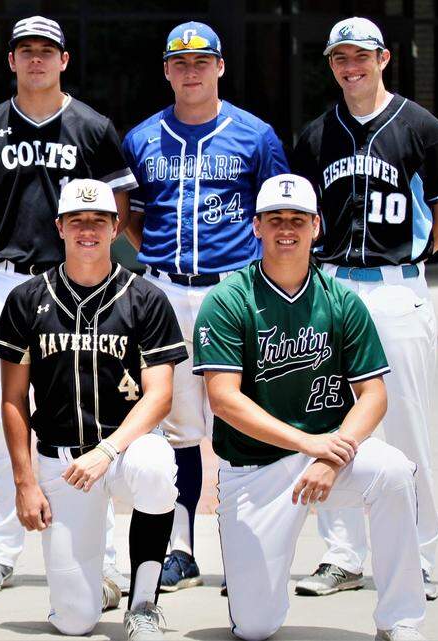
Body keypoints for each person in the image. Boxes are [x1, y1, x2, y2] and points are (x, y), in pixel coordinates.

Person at [0, 15, 138, 595]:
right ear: (11, 60)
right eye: (25, 51)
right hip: (9, 286)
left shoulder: (93, 127)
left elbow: (121, 205)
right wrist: (6, 256)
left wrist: (79, 264)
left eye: (46, 51)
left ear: (64, 59)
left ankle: (102, 558)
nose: (36, 60)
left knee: (91, 415)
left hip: (80, 287)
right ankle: (0, 552)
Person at [194, 174, 426, 641]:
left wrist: (325, 455)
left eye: (297, 219)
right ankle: (260, 587)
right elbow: (223, 399)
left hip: (329, 459)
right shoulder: (227, 299)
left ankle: (400, 620)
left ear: (316, 226)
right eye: (275, 219)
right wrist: (309, 444)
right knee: (255, 627)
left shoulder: (340, 301)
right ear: (255, 226)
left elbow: (374, 396)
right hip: (255, 468)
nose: (287, 229)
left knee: (395, 472)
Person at [290, 16, 438, 601]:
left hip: (395, 286)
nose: (351, 65)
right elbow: (305, 218)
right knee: (332, 422)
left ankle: (415, 556)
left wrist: (410, 263)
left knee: (407, 425)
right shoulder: (317, 135)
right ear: (332, 63)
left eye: (361, 55)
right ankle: (342, 555)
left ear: (384, 58)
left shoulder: (421, 127)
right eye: (341, 56)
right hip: (334, 284)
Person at [120, 20, 289, 592]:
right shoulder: (143, 137)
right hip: (166, 289)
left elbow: (277, 215)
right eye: (180, 62)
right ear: (167, 70)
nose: (191, 71)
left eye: (202, 61)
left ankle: (251, 549)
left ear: (219, 67)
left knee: (244, 421)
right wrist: (161, 258)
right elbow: (132, 215)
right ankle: (182, 548)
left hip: (234, 291)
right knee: (177, 425)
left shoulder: (256, 135)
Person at [0, 179, 184, 639]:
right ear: (59, 226)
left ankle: (143, 603)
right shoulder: (26, 299)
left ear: (116, 227)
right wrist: (24, 483)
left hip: (125, 451)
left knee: (157, 467)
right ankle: (94, 589)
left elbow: (159, 395)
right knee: (75, 622)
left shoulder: (145, 297)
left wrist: (108, 451)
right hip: (61, 462)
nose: (87, 230)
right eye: (76, 220)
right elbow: (13, 399)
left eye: (98, 220)